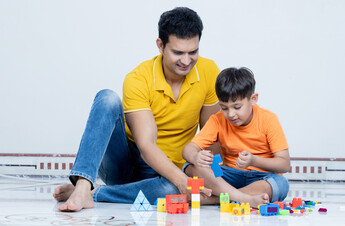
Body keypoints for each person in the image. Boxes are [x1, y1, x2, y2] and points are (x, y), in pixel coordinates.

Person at [53, 7, 221, 212]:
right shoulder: (138, 79)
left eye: (192, 52)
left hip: (166, 175)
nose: (186, 61)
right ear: (160, 45)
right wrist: (182, 180)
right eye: (178, 52)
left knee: (172, 189)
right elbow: (146, 145)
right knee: (107, 98)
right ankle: (82, 186)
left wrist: (207, 175)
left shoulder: (209, 72)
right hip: (126, 165)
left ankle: (95, 193)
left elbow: (210, 137)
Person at [182, 67, 291, 207]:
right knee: (190, 166)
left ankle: (217, 199)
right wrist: (195, 157)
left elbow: (284, 164)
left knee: (280, 184)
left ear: (253, 99)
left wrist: (253, 160)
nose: (231, 114)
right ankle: (242, 198)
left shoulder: (268, 119)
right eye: (224, 108)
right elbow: (188, 149)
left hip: (261, 177)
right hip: (229, 176)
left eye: (237, 107)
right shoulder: (218, 120)